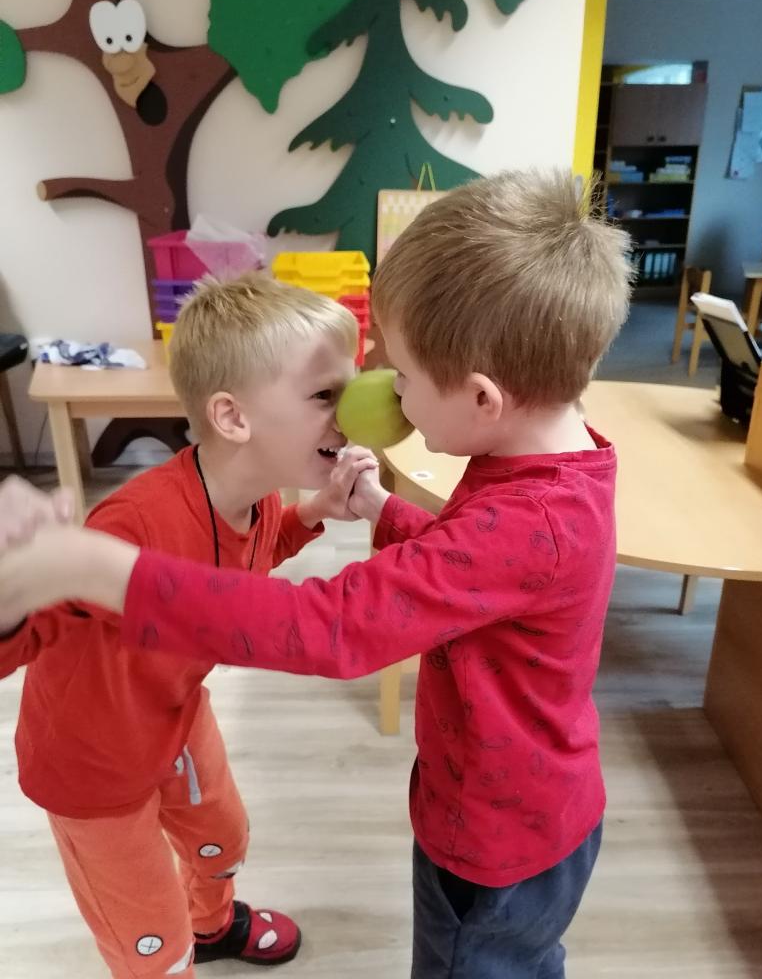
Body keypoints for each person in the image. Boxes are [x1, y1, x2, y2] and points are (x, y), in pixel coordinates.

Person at [0, 168, 632, 978]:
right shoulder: (544, 471)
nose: (383, 403)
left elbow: (334, 622)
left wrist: (107, 570)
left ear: (482, 399)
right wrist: (378, 510)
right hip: (112, 765)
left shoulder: (531, 515)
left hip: (500, 837)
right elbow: (477, 567)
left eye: (400, 378)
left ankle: (212, 921)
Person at [0, 274, 377, 979]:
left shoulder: (259, 498)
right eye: (326, 394)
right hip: (92, 769)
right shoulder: (134, 523)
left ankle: (213, 925)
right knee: (150, 941)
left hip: (175, 713)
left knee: (223, 840)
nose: (351, 411)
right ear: (233, 417)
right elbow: (25, 633)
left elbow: (239, 569)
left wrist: (313, 514)